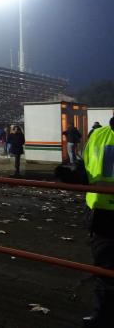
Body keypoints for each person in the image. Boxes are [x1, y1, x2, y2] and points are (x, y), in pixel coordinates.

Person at [82, 116, 114, 327]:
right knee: (105, 268)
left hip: (102, 213)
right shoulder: (98, 136)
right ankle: (103, 315)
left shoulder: (98, 135)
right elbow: (84, 168)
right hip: (102, 214)